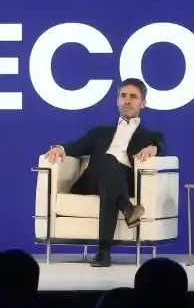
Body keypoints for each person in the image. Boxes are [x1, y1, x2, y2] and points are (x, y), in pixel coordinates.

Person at [44, 78, 165, 267]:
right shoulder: (99, 132)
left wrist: (154, 148)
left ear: (143, 103)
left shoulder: (150, 136)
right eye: (123, 96)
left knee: (112, 174)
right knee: (108, 160)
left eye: (133, 97)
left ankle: (103, 252)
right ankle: (126, 209)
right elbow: (76, 146)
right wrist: (59, 148)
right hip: (91, 182)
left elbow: (162, 145)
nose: (127, 100)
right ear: (117, 100)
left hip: (123, 181)